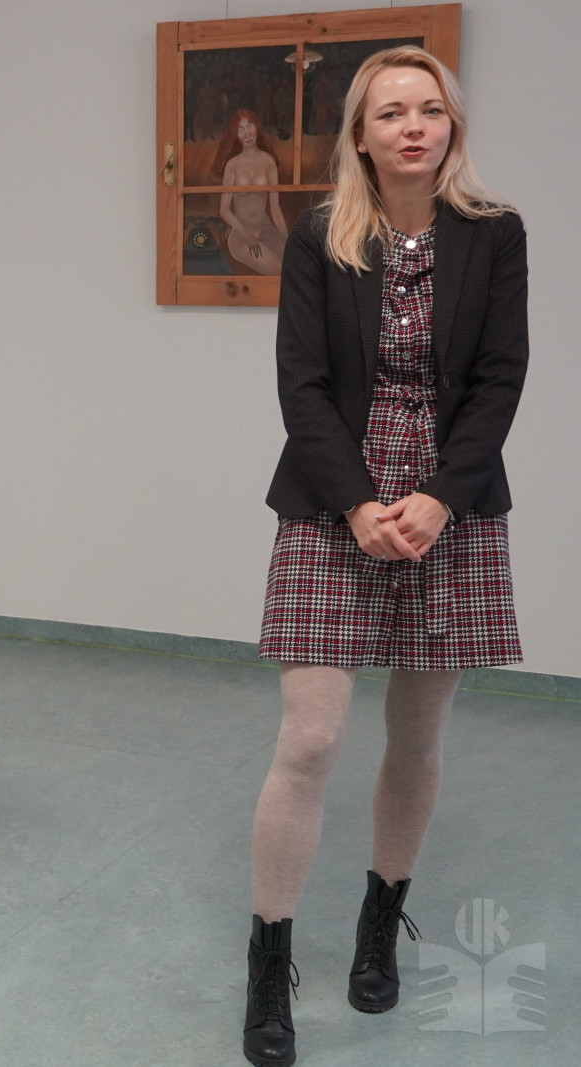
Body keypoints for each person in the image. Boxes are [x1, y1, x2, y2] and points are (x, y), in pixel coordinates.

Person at [243, 46, 527, 1066]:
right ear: (359, 136)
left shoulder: (495, 233)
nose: (414, 126)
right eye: (392, 112)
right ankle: (269, 962)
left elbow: (500, 377)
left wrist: (439, 497)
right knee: (311, 739)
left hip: (450, 505)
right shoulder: (319, 234)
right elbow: (302, 383)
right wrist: (360, 502)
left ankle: (378, 922)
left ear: (452, 125)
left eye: (430, 109)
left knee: (416, 736)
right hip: (335, 502)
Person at [211, 109, 288, 275]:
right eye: (241, 130)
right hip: (241, 235)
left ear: (257, 127)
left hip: (266, 229)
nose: (247, 134)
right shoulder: (232, 165)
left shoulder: (268, 161)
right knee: (280, 271)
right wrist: (246, 235)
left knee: (298, 263)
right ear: (236, 135)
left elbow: (275, 208)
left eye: (250, 126)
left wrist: (287, 238)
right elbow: (224, 210)